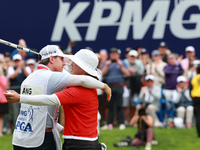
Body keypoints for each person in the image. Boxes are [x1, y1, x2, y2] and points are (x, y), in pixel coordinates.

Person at [4, 46, 111, 150]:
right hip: (62, 141)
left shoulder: (29, 78)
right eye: (61, 59)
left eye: (74, 62)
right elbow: (45, 110)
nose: (67, 64)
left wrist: (20, 98)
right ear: (51, 59)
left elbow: (50, 101)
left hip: (22, 138)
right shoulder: (71, 84)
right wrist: (104, 86)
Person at [101, 47, 130, 130]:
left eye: (115, 54)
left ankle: (122, 123)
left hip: (119, 85)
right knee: (110, 105)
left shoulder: (122, 63)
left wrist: (120, 66)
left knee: (120, 105)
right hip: (110, 87)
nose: (113, 55)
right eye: (112, 54)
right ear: (110, 55)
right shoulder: (107, 63)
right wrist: (107, 66)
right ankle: (109, 123)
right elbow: (102, 74)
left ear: (118, 55)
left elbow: (127, 73)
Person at [7, 53, 30, 127]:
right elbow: (12, 76)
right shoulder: (11, 68)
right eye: (16, 61)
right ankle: (16, 126)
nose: (17, 62)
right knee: (15, 110)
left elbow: (29, 77)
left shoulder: (26, 68)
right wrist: (20, 67)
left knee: (24, 110)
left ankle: (25, 126)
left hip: (24, 93)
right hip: (14, 92)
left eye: (18, 61)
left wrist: (23, 68)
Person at [190, 64, 200, 137]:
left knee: (198, 116)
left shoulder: (194, 78)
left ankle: (199, 134)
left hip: (196, 98)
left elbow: (190, 89)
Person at [0, 56, 9, 137]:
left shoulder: (3, 73)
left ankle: (0, 132)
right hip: (1, 98)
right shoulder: (2, 73)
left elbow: (6, 85)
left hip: (2, 98)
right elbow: (5, 84)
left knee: (1, 116)